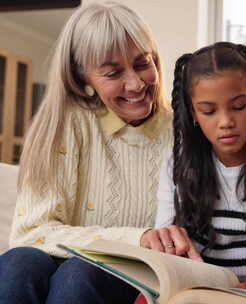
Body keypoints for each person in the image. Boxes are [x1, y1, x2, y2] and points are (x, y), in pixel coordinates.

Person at [0, 2, 172, 303]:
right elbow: (30, 233)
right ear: (83, 77)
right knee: (18, 263)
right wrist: (137, 237)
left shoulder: (181, 131)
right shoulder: (66, 124)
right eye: (112, 72)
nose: (135, 83)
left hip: (134, 274)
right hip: (58, 265)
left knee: (79, 274)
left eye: (143, 64)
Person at [140, 42, 246, 286]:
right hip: (202, 288)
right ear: (193, 113)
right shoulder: (178, 165)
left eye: (238, 106)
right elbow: (167, 240)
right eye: (208, 111)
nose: (226, 121)